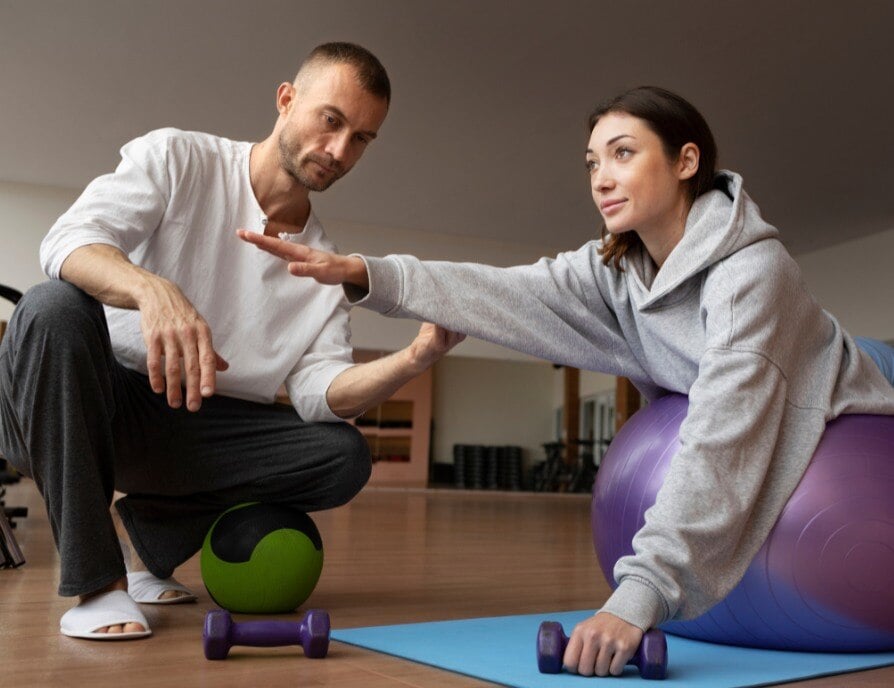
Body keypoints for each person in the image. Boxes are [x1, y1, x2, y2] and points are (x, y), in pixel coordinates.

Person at [239, 85, 894, 677]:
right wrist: (365, 272)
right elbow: (510, 291)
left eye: (622, 154)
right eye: (592, 163)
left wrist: (640, 595)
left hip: (850, 402)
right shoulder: (615, 271)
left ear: (686, 162)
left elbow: (727, 433)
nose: (601, 178)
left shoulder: (752, 274)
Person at [0, 42, 463, 641]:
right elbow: (68, 243)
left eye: (362, 139)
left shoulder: (323, 266)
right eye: (332, 120)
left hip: (177, 423)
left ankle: (150, 539)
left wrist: (414, 357)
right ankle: (97, 586)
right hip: (69, 399)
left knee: (341, 455)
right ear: (286, 99)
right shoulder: (180, 158)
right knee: (51, 305)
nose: (340, 151)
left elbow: (322, 392)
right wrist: (152, 291)